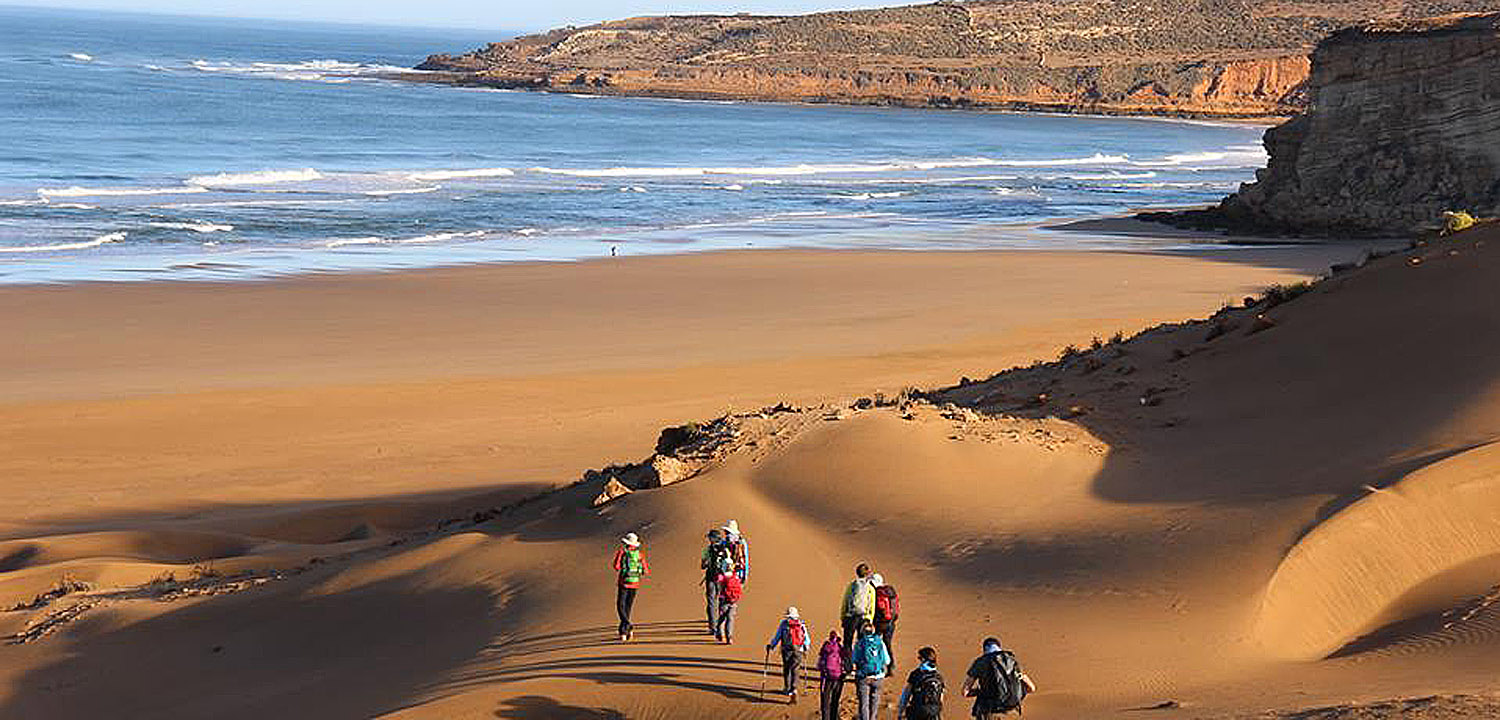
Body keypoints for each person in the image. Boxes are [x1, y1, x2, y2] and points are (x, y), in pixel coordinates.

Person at [962, 637, 1036, 718]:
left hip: (989, 712)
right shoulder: (1012, 660)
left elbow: (965, 692)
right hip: (1012, 712)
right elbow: (1031, 688)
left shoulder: (980, 662)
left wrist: (980, 692)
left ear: (984, 649)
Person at [766, 606, 812, 704]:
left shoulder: (784, 624)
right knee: (795, 669)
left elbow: (778, 636)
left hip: (786, 650)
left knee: (787, 669)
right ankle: (794, 689)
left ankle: (787, 688)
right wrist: (806, 647)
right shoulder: (801, 624)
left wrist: (771, 645)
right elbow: (806, 638)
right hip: (798, 650)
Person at [611, 532, 649, 642]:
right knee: (628, 607)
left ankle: (627, 627)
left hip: (623, 583)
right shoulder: (640, 555)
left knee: (620, 606)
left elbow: (616, 566)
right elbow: (646, 570)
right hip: (635, 583)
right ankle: (625, 631)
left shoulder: (622, 552)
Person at [850, 620, 891, 720]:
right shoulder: (880, 642)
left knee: (863, 703)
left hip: (863, 676)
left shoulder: (859, 643)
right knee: (875, 701)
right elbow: (887, 661)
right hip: (878, 676)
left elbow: (854, 659)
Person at [896, 647, 944, 720]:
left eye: (919, 658)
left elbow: (906, 694)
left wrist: (900, 711)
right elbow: (940, 697)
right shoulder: (939, 677)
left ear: (923, 659)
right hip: (933, 712)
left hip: (917, 711)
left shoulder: (916, 674)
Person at [841, 563, 876, 657]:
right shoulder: (870, 588)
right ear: (867, 574)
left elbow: (845, 602)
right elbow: (872, 605)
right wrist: (870, 620)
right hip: (864, 618)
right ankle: (861, 663)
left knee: (847, 642)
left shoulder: (852, 586)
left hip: (851, 616)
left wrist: (843, 617)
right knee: (862, 642)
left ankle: (848, 663)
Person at [701, 529, 732, 634]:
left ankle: (713, 627)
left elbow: (703, 565)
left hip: (711, 578)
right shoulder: (725, 550)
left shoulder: (707, 550)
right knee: (721, 602)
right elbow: (729, 564)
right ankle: (721, 626)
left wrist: (707, 563)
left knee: (711, 602)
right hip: (722, 579)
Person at [872, 573, 900, 676]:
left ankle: (877, 666)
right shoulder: (891, 592)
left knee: (875, 644)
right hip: (891, 623)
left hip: (880, 623)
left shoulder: (878, 593)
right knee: (887, 644)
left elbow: (878, 608)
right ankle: (891, 665)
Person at [817, 630, 846, 720]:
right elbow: (844, 661)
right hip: (838, 677)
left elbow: (820, 663)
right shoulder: (840, 647)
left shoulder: (826, 646)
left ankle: (825, 718)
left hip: (826, 677)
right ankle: (834, 717)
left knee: (825, 701)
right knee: (835, 700)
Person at [715, 568, 743, 643]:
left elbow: (718, 586)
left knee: (723, 618)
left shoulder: (722, 576)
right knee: (730, 618)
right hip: (733, 601)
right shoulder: (736, 577)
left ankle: (721, 634)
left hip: (724, 600)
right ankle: (728, 637)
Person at [722, 519, 750, 584]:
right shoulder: (724, 542)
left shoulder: (741, 543)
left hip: (737, 572)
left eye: (726, 532)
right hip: (727, 572)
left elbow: (745, 558)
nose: (725, 534)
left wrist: (745, 575)